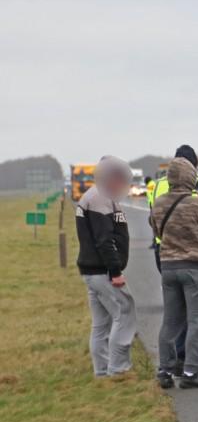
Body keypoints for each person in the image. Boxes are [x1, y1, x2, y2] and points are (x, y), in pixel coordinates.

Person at [150, 156, 198, 389]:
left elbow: (155, 228)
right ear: (191, 177)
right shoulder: (197, 204)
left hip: (168, 267)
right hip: (193, 267)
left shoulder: (159, 203)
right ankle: (191, 372)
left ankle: (165, 370)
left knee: (171, 321)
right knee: (197, 320)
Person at [148, 145, 198, 361]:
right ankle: (188, 364)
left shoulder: (158, 187)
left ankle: (167, 366)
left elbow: (154, 221)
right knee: (196, 317)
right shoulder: (195, 190)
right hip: (190, 257)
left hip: (165, 255)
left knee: (172, 318)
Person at [75, 155, 135, 377]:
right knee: (125, 311)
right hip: (102, 271)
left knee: (101, 323)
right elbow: (103, 239)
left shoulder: (98, 195)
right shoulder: (100, 197)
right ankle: (119, 369)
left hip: (93, 269)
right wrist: (116, 271)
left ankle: (102, 371)